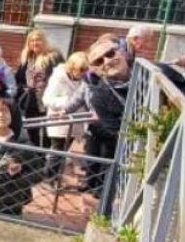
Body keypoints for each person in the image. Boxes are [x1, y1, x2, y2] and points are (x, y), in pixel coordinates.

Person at [53, 39, 131, 197]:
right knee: (92, 157)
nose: (107, 61)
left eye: (110, 54)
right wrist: (65, 110)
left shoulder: (130, 76)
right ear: (93, 67)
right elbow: (78, 98)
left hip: (115, 130)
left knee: (107, 158)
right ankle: (91, 182)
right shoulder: (90, 82)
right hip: (95, 126)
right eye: (99, 61)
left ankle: (101, 189)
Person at [42, 52, 89, 184]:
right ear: (71, 67)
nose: (83, 73)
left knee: (64, 150)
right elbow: (47, 99)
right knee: (57, 150)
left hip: (74, 122)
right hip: (59, 121)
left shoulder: (84, 80)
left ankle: (55, 175)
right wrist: (68, 102)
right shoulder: (58, 77)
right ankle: (48, 178)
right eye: (80, 70)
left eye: (85, 70)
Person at [15, 29, 63, 148]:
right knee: (32, 129)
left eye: (38, 40)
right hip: (31, 100)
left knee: (47, 131)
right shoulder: (27, 58)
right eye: (32, 41)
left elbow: (61, 77)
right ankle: (37, 157)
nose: (35, 43)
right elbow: (19, 78)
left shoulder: (53, 57)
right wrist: (23, 88)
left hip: (47, 99)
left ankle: (46, 154)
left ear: (44, 42)